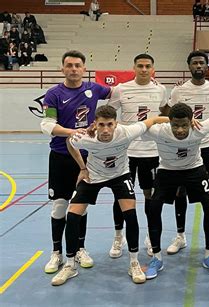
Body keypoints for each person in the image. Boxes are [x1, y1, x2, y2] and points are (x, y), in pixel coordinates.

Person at [51, 105, 166, 286]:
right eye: (102, 125)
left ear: (116, 124)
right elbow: (69, 143)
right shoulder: (84, 137)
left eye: (110, 125)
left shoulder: (127, 132)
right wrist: (82, 167)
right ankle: (70, 264)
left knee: (131, 215)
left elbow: (152, 120)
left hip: (120, 175)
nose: (106, 129)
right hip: (93, 176)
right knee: (72, 216)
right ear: (95, 124)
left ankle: (133, 262)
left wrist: (183, 120)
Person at [40, 50, 111, 275]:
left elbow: (120, 93)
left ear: (83, 68)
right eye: (69, 65)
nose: (73, 69)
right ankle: (56, 252)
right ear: (62, 68)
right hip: (61, 157)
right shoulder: (53, 94)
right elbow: (47, 125)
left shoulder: (94, 89)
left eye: (77, 65)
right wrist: (74, 132)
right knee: (60, 205)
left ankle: (80, 249)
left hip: (88, 158)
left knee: (81, 205)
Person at [143, 103, 209, 278]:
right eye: (175, 125)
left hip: (195, 169)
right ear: (169, 123)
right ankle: (157, 258)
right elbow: (136, 126)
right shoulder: (159, 131)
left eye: (184, 125)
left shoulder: (200, 128)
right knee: (153, 209)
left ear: (192, 122)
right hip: (167, 171)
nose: (180, 130)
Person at [160, 50, 209, 256]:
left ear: (207, 66)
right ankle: (180, 236)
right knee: (180, 190)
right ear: (189, 66)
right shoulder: (179, 91)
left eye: (201, 63)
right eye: (195, 63)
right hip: (184, 146)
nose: (198, 66)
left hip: (207, 146)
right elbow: (166, 115)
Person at [106, 53, 168, 259]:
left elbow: (165, 113)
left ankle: (151, 237)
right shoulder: (121, 89)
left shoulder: (160, 89)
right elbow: (108, 113)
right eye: (140, 66)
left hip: (152, 152)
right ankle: (118, 237)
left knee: (151, 195)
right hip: (126, 152)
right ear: (133, 68)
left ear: (153, 69)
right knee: (122, 196)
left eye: (147, 66)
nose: (143, 69)